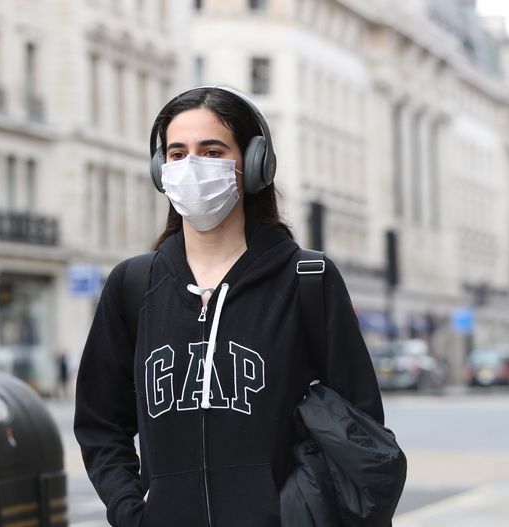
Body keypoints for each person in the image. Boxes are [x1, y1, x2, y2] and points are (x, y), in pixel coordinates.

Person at [74, 86, 385, 527]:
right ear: (160, 170)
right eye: (177, 154)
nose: (192, 166)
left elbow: (361, 429)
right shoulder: (133, 285)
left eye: (212, 150)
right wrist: (130, 511)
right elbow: (100, 422)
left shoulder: (307, 280)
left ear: (254, 164)